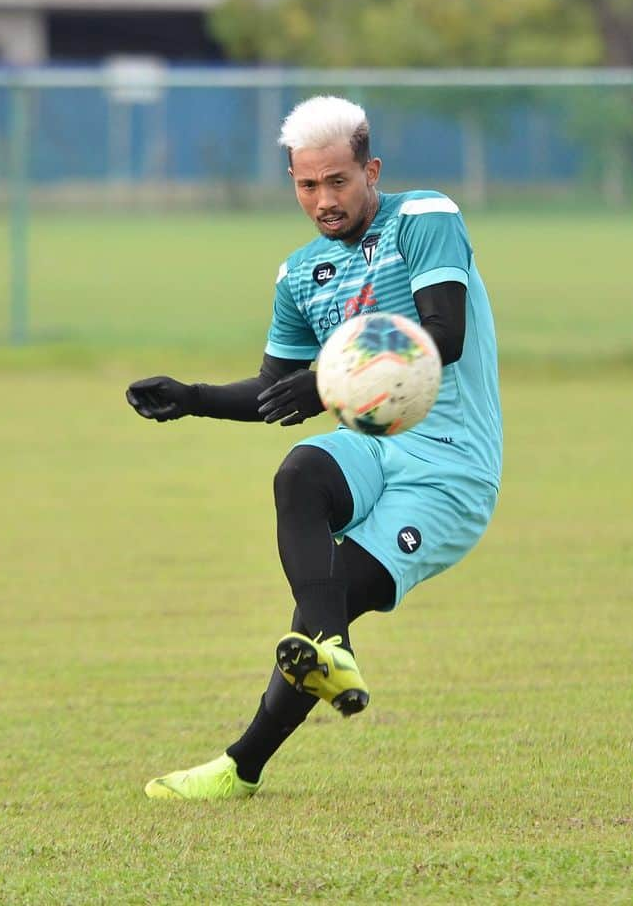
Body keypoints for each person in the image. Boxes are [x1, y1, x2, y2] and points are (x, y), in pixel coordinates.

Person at [126, 95, 502, 800]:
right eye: (307, 185)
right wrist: (196, 397)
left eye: (338, 181)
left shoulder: (424, 220)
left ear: (371, 170)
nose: (323, 199)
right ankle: (332, 657)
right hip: (376, 447)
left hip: (448, 468)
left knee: (322, 604)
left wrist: (323, 386)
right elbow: (277, 391)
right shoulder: (300, 274)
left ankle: (242, 766)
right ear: (292, 182)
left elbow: (441, 337)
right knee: (300, 472)